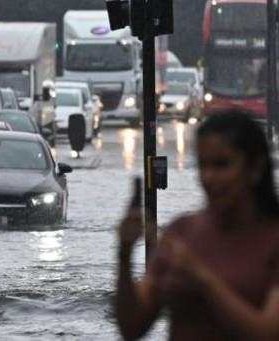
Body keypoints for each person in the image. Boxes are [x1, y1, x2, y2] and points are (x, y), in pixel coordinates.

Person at [116, 111, 279, 340]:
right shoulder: (181, 233)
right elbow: (131, 327)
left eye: (222, 165)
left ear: (255, 168)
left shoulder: (272, 239)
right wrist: (124, 255)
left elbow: (269, 333)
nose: (209, 177)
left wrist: (201, 276)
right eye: (203, 165)